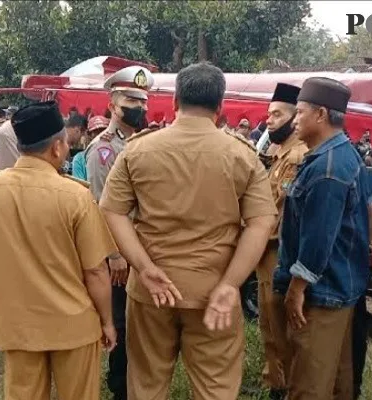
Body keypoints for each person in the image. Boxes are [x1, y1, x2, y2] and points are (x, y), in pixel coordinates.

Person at [100, 62, 277, 400]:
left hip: (151, 292)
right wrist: (230, 284)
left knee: (147, 384)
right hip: (214, 292)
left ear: (175, 101)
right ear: (220, 108)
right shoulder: (242, 155)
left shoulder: (138, 150)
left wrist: (145, 268)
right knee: (215, 388)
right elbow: (261, 223)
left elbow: (111, 210)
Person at [0, 101, 118, 400]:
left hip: (17, 325)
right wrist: (108, 321)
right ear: (57, 148)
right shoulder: (75, 196)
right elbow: (95, 270)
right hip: (74, 324)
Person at [271, 77, 372, 400]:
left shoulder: (327, 168)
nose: (295, 119)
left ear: (321, 114)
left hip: (321, 294)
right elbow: (369, 213)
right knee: (337, 383)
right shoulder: (343, 154)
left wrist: (296, 288)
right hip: (340, 290)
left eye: (300, 112)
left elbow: (318, 239)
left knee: (309, 386)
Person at [85, 65, 155, 400]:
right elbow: (101, 207)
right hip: (118, 254)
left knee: (137, 323)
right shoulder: (104, 149)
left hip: (138, 247)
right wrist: (113, 254)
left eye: (143, 101)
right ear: (113, 105)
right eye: (132, 101)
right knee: (122, 325)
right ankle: (120, 389)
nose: (141, 107)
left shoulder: (140, 143)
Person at [254, 83, 306, 400]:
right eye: (268, 114)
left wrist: (252, 233)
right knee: (268, 324)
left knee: (280, 326)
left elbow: (284, 214)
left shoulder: (297, 156)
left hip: (277, 252)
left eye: (277, 114)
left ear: (294, 118)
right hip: (265, 253)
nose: (269, 120)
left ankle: (286, 387)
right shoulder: (278, 152)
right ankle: (275, 379)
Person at [72, 116, 109, 181]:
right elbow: (80, 186)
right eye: (95, 132)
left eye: (103, 131)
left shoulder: (115, 155)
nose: (100, 135)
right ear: (89, 135)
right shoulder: (79, 159)